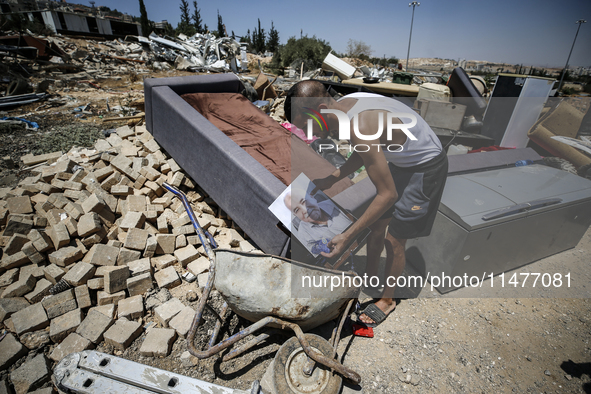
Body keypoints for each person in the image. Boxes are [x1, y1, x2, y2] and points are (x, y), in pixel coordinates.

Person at [285, 80, 448, 326]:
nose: (309, 134)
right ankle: (371, 276)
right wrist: (333, 177)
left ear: (320, 108)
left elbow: (388, 195)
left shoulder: (357, 125)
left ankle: (387, 300)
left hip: (425, 165)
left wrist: (347, 236)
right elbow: (365, 151)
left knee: (394, 239)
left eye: (308, 125)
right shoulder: (348, 105)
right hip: (401, 161)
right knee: (377, 226)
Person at [284, 187, 351, 256]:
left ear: (311, 197)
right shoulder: (303, 234)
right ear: (295, 215)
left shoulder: (336, 203)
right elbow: (319, 256)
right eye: (297, 210)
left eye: (304, 201)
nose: (305, 210)